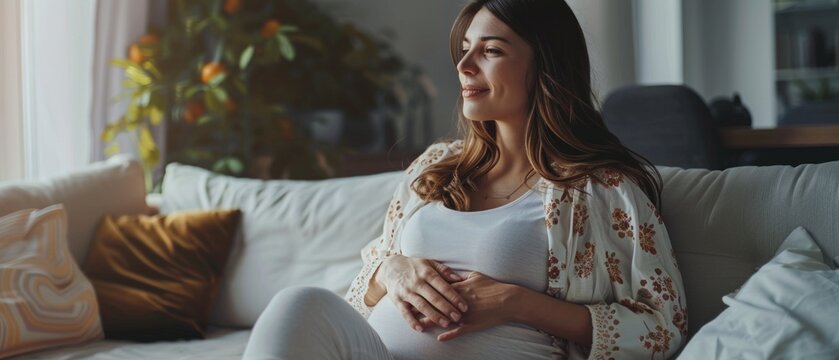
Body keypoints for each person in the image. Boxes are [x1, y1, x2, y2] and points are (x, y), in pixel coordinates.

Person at [243, 0, 687, 359]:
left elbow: (663, 329)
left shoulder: (601, 189)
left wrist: (519, 303)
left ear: (545, 66)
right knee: (297, 304)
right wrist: (391, 271)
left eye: (491, 51)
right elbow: (364, 295)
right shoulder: (434, 167)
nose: (464, 65)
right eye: (465, 48)